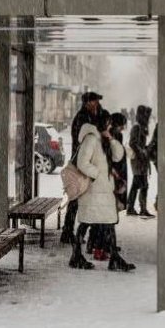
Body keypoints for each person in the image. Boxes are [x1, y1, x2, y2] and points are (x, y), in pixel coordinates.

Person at [69, 112, 135, 272]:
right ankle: (77, 256)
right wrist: (98, 174)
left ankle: (114, 258)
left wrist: (111, 139)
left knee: (109, 222)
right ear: (102, 123)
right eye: (108, 123)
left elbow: (119, 156)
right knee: (86, 222)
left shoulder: (104, 139)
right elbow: (82, 163)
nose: (110, 126)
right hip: (92, 190)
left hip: (104, 190)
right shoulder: (91, 139)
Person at [60, 91, 103, 245]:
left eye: (97, 102)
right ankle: (70, 232)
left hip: (85, 163)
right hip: (81, 164)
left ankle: (71, 231)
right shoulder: (83, 118)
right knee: (77, 198)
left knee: (79, 199)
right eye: (94, 102)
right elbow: (84, 140)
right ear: (87, 103)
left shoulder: (90, 116)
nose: (96, 104)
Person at [126, 105, 153, 218]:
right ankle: (139, 208)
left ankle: (133, 207)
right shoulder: (137, 127)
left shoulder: (141, 127)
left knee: (139, 184)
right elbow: (133, 143)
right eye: (146, 115)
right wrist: (142, 152)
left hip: (140, 160)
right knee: (142, 184)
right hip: (138, 161)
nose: (148, 118)